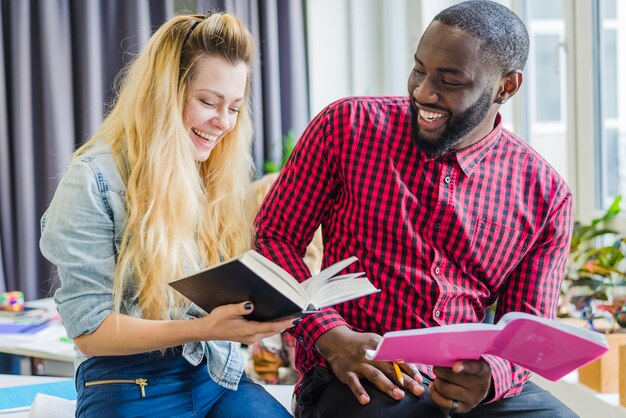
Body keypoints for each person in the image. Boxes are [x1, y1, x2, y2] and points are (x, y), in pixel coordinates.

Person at [254, 1, 577, 417]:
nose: (424, 92)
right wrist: (330, 336)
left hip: (468, 388)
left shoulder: (546, 194)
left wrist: (490, 376)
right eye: (419, 69)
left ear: (506, 86)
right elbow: (274, 239)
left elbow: (525, 330)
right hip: (359, 368)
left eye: (450, 80)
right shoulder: (346, 127)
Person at [40, 12, 295, 417]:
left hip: (214, 375)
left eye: (234, 108)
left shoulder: (212, 174)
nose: (223, 123)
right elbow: (90, 332)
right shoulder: (92, 180)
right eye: (208, 102)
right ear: (164, 95)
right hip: (126, 381)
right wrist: (204, 328)